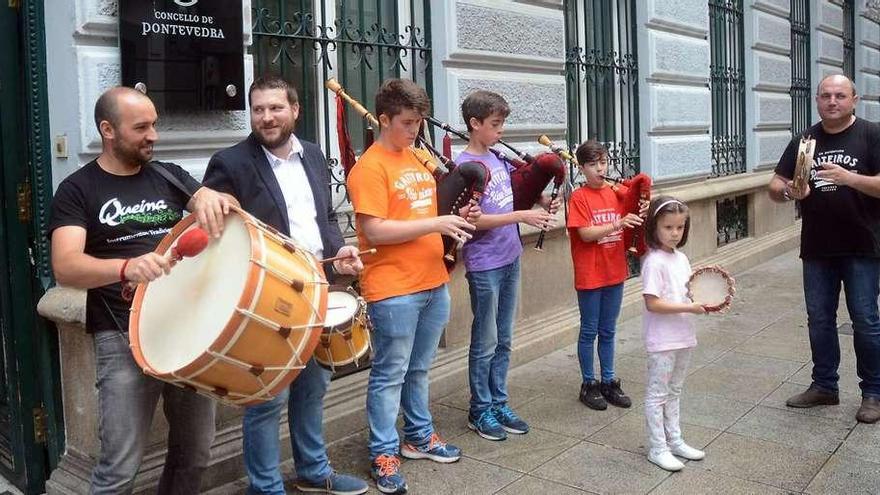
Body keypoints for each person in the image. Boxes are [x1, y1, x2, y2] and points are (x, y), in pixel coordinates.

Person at [48, 86, 236, 494]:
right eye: (141, 127)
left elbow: (220, 207)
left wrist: (214, 199)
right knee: (119, 467)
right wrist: (127, 267)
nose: (153, 134)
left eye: (154, 124)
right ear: (108, 130)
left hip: (184, 331)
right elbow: (65, 266)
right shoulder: (77, 190)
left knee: (196, 451)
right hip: (121, 336)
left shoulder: (168, 175)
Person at [202, 75, 368, 495]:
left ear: (295, 110)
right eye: (258, 109)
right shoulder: (230, 163)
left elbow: (323, 218)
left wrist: (340, 254)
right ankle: (266, 487)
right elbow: (219, 239)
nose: (266, 117)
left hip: (317, 288)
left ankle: (313, 472)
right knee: (266, 399)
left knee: (313, 387)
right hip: (267, 298)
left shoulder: (313, 155)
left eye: (275, 107)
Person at [346, 78, 479, 494]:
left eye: (419, 122)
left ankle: (419, 436)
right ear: (383, 119)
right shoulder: (369, 167)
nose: (415, 130)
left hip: (432, 280)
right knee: (390, 374)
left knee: (418, 369)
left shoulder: (417, 156)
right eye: (406, 122)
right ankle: (383, 451)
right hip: (393, 288)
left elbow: (431, 207)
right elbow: (375, 230)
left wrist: (459, 215)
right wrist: (437, 223)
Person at [768, 74, 880, 424]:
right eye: (826, 96)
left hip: (863, 245)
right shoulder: (806, 140)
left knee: (865, 320)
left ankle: (873, 392)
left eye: (840, 96)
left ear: (854, 100)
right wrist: (789, 192)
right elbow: (775, 184)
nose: (832, 101)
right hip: (817, 247)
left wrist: (850, 179)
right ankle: (824, 386)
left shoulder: (871, 134)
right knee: (819, 319)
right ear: (817, 100)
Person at [455, 90, 559, 441]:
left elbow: (509, 196)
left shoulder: (497, 158)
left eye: (502, 124)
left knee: (505, 339)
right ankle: (479, 409)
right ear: (475, 124)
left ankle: (499, 401)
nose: (501, 131)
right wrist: (524, 215)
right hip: (484, 264)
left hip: (510, 256)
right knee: (485, 340)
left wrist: (542, 199)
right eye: (495, 125)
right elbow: (473, 221)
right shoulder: (464, 167)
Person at [567, 139, 643, 411]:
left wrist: (637, 195)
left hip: (614, 270)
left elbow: (640, 202)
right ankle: (589, 383)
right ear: (582, 167)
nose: (600, 168)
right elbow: (586, 234)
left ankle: (609, 380)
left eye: (604, 162)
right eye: (593, 164)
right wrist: (617, 223)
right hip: (590, 273)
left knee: (609, 330)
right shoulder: (579, 197)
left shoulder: (614, 192)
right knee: (589, 330)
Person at [639, 196, 707, 471]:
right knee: (658, 394)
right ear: (654, 227)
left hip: (683, 335)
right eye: (668, 227)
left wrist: (709, 298)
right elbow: (652, 302)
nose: (675, 233)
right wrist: (689, 307)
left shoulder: (681, 258)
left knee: (675, 391)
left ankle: (675, 440)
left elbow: (688, 291)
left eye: (679, 227)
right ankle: (658, 447)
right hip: (662, 340)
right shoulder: (654, 262)